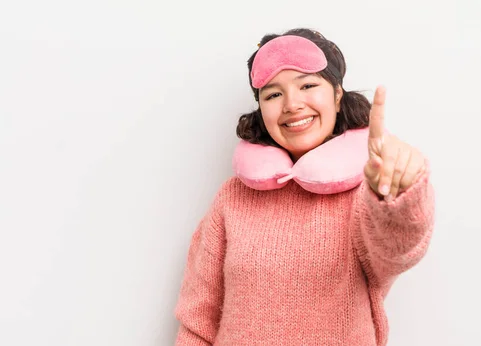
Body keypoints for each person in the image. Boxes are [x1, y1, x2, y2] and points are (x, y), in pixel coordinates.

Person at [173, 28, 435, 346]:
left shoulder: (367, 196)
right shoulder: (233, 197)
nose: (292, 104)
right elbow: (197, 321)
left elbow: (397, 252)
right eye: (273, 94)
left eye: (308, 85)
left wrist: (398, 195)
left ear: (338, 95)